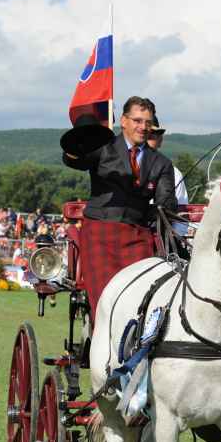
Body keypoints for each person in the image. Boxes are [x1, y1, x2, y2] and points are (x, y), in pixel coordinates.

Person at [64, 96, 177, 316]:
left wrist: (162, 211)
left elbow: (167, 203)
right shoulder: (102, 147)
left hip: (138, 236)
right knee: (106, 303)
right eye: (137, 120)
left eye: (147, 122)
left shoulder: (161, 163)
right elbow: (75, 160)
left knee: (139, 300)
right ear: (123, 121)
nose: (142, 127)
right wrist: (75, 144)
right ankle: (104, 347)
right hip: (99, 233)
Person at [145, 116, 189, 237]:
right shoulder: (125, 167)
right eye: (145, 134)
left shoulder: (174, 173)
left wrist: (173, 239)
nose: (147, 139)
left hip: (162, 238)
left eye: (154, 134)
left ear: (160, 140)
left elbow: (181, 215)